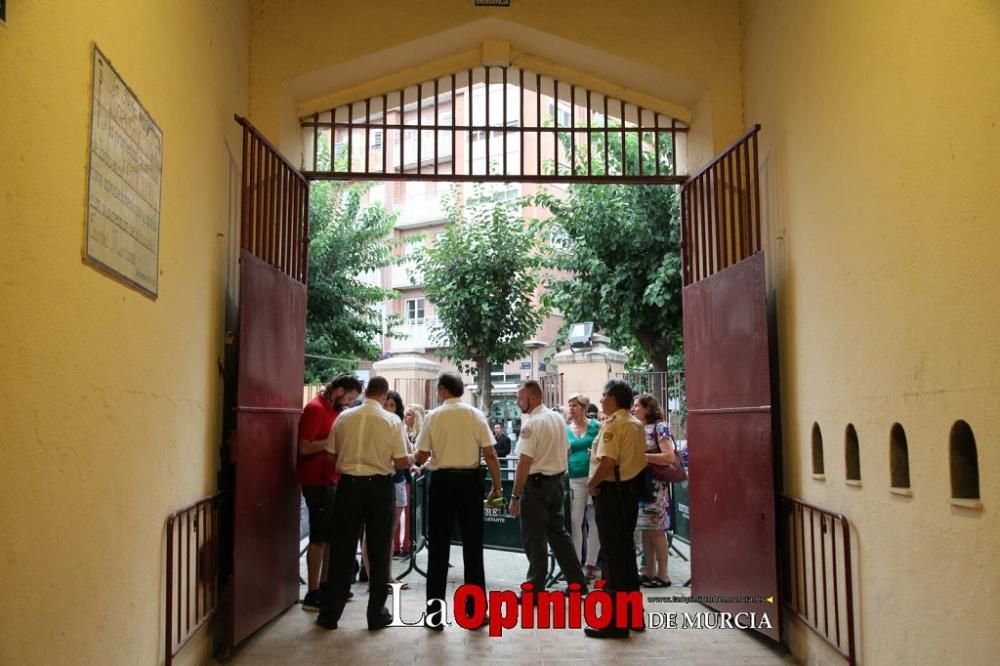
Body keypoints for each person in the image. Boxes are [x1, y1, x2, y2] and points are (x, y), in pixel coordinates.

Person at [316, 376, 411, 631]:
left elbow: (330, 456)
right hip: (379, 487)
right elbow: (401, 462)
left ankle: (330, 614)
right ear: (384, 395)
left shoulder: (344, 417)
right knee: (379, 550)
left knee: (342, 549)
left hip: (347, 486)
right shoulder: (391, 421)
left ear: (366, 391)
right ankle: (375, 614)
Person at [415, 372, 502, 630]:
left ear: (442, 390)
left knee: (439, 549)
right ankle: (474, 613)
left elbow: (421, 455)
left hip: (442, 484)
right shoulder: (475, 415)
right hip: (470, 484)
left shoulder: (433, 416)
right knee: (473, 549)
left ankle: (435, 615)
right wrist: (497, 487)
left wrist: (425, 460)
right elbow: (491, 453)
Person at [509, 381, 588, 594]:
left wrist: (515, 497)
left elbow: (524, 463)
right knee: (559, 536)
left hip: (536, 487)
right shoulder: (557, 419)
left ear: (532, 398)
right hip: (557, 483)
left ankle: (534, 590)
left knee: (535, 540)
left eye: (521, 398)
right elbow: (568, 451)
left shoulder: (531, 424)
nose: (518, 402)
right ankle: (577, 584)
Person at [585, 379, 647, 639]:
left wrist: (592, 484)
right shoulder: (635, 424)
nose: (600, 400)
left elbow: (608, 461)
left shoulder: (615, 424)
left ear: (613, 398)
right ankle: (633, 615)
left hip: (612, 493)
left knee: (612, 557)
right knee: (626, 554)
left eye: (603, 396)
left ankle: (615, 622)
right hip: (630, 492)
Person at [296, 374, 362, 611]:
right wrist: (333, 442)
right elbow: (304, 447)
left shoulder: (332, 409)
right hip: (317, 480)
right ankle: (312, 591)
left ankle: (325, 585)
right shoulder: (315, 409)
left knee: (331, 537)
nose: (348, 404)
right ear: (339, 390)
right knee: (319, 537)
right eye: (349, 398)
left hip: (331, 478)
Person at [565, 393, 602, 580]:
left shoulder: (596, 426)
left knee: (595, 520)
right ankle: (575, 563)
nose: (571, 408)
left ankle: (591, 563)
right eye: (569, 405)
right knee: (574, 521)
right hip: (574, 478)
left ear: (584, 407)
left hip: (594, 477)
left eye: (575, 405)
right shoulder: (566, 429)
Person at [396, 404, 426, 558]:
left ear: (416, 417)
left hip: (411, 477)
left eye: (409, 415)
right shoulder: (402, 430)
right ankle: (397, 545)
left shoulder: (419, 435)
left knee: (409, 514)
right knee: (399, 513)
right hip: (404, 475)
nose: (405, 417)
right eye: (405, 414)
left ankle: (407, 545)